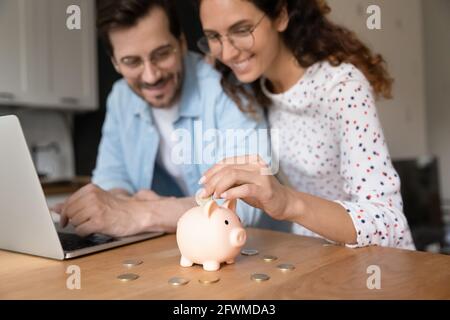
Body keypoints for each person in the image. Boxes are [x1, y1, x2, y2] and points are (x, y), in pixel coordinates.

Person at [196, 0, 415, 249]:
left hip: (380, 266)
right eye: (214, 36)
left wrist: (288, 202)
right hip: (315, 257)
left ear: (280, 15)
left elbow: (389, 221)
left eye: (242, 30)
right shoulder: (254, 88)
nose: (227, 53)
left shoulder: (341, 87)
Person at [53, 0, 269, 237]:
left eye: (162, 54)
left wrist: (141, 213)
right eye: (131, 61)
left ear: (182, 42)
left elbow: (247, 201)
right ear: (115, 62)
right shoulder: (121, 97)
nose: (151, 75)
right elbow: (112, 176)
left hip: (250, 247)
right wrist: (111, 206)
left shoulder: (227, 86)